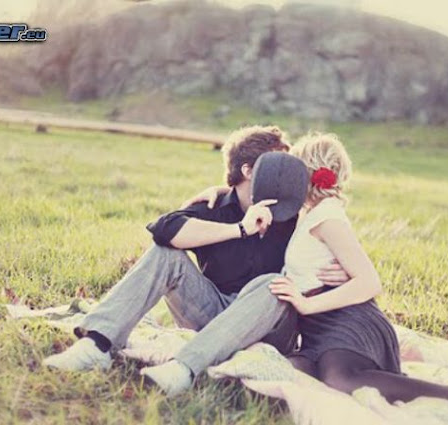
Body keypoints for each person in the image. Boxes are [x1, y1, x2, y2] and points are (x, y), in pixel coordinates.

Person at [42, 126, 350, 396]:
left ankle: (184, 368)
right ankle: (97, 344)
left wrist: (337, 271)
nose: (287, 174)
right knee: (166, 254)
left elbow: (329, 241)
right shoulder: (215, 206)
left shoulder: (295, 215)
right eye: (276, 164)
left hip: (268, 325)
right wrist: (239, 229)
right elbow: (165, 231)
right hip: (211, 311)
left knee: (273, 284)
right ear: (248, 171)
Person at [266, 132, 448, 413]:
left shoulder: (327, 218)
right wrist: (220, 192)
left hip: (346, 320)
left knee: (340, 380)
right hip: (316, 327)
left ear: (307, 173)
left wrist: (307, 303)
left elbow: (369, 282)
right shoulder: (308, 213)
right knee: (291, 372)